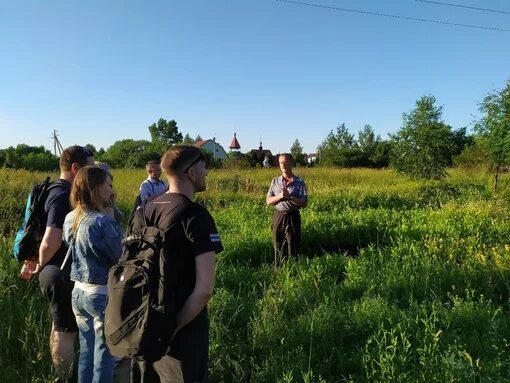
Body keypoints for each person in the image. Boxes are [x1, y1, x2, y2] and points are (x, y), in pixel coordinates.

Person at [131, 145, 223, 383]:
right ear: (191, 172)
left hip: (143, 324)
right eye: (204, 167)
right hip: (182, 330)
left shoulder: (144, 211)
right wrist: (171, 328)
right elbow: (204, 290)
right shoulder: (196, 216)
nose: (206, 173)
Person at [36, 145, 95, 381]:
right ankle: (65, 379)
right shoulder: (62, 194)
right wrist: (41, 264)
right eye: (88, 168)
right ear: (75, 168)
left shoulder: (59, 190)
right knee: (66, 334)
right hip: (59, 272)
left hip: (58, 271)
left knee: (59, 329)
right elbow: (51, 239)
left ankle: (62, 375)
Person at [63, 166, 123, 383]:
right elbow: (120, 256)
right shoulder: (102, 222)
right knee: (105, 354)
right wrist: (113, 219)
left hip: (78, 291)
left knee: (87, 352)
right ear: (97, 189)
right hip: (100, 293)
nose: (111, 190)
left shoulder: (71, 217)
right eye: (108, 185)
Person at [266, 153, 308, 264]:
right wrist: (280, 196)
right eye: (281, 163)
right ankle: (279, 269)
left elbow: (304, 202)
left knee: (293, 245)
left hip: (293, 215)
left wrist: (290, 197)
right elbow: (268, 201)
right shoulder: (275, 181)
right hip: (279, 215)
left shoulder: (299, 182)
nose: (283, 165)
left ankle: (293, 269)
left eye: (285, 162)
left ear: (291, 163)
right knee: (277, 244)